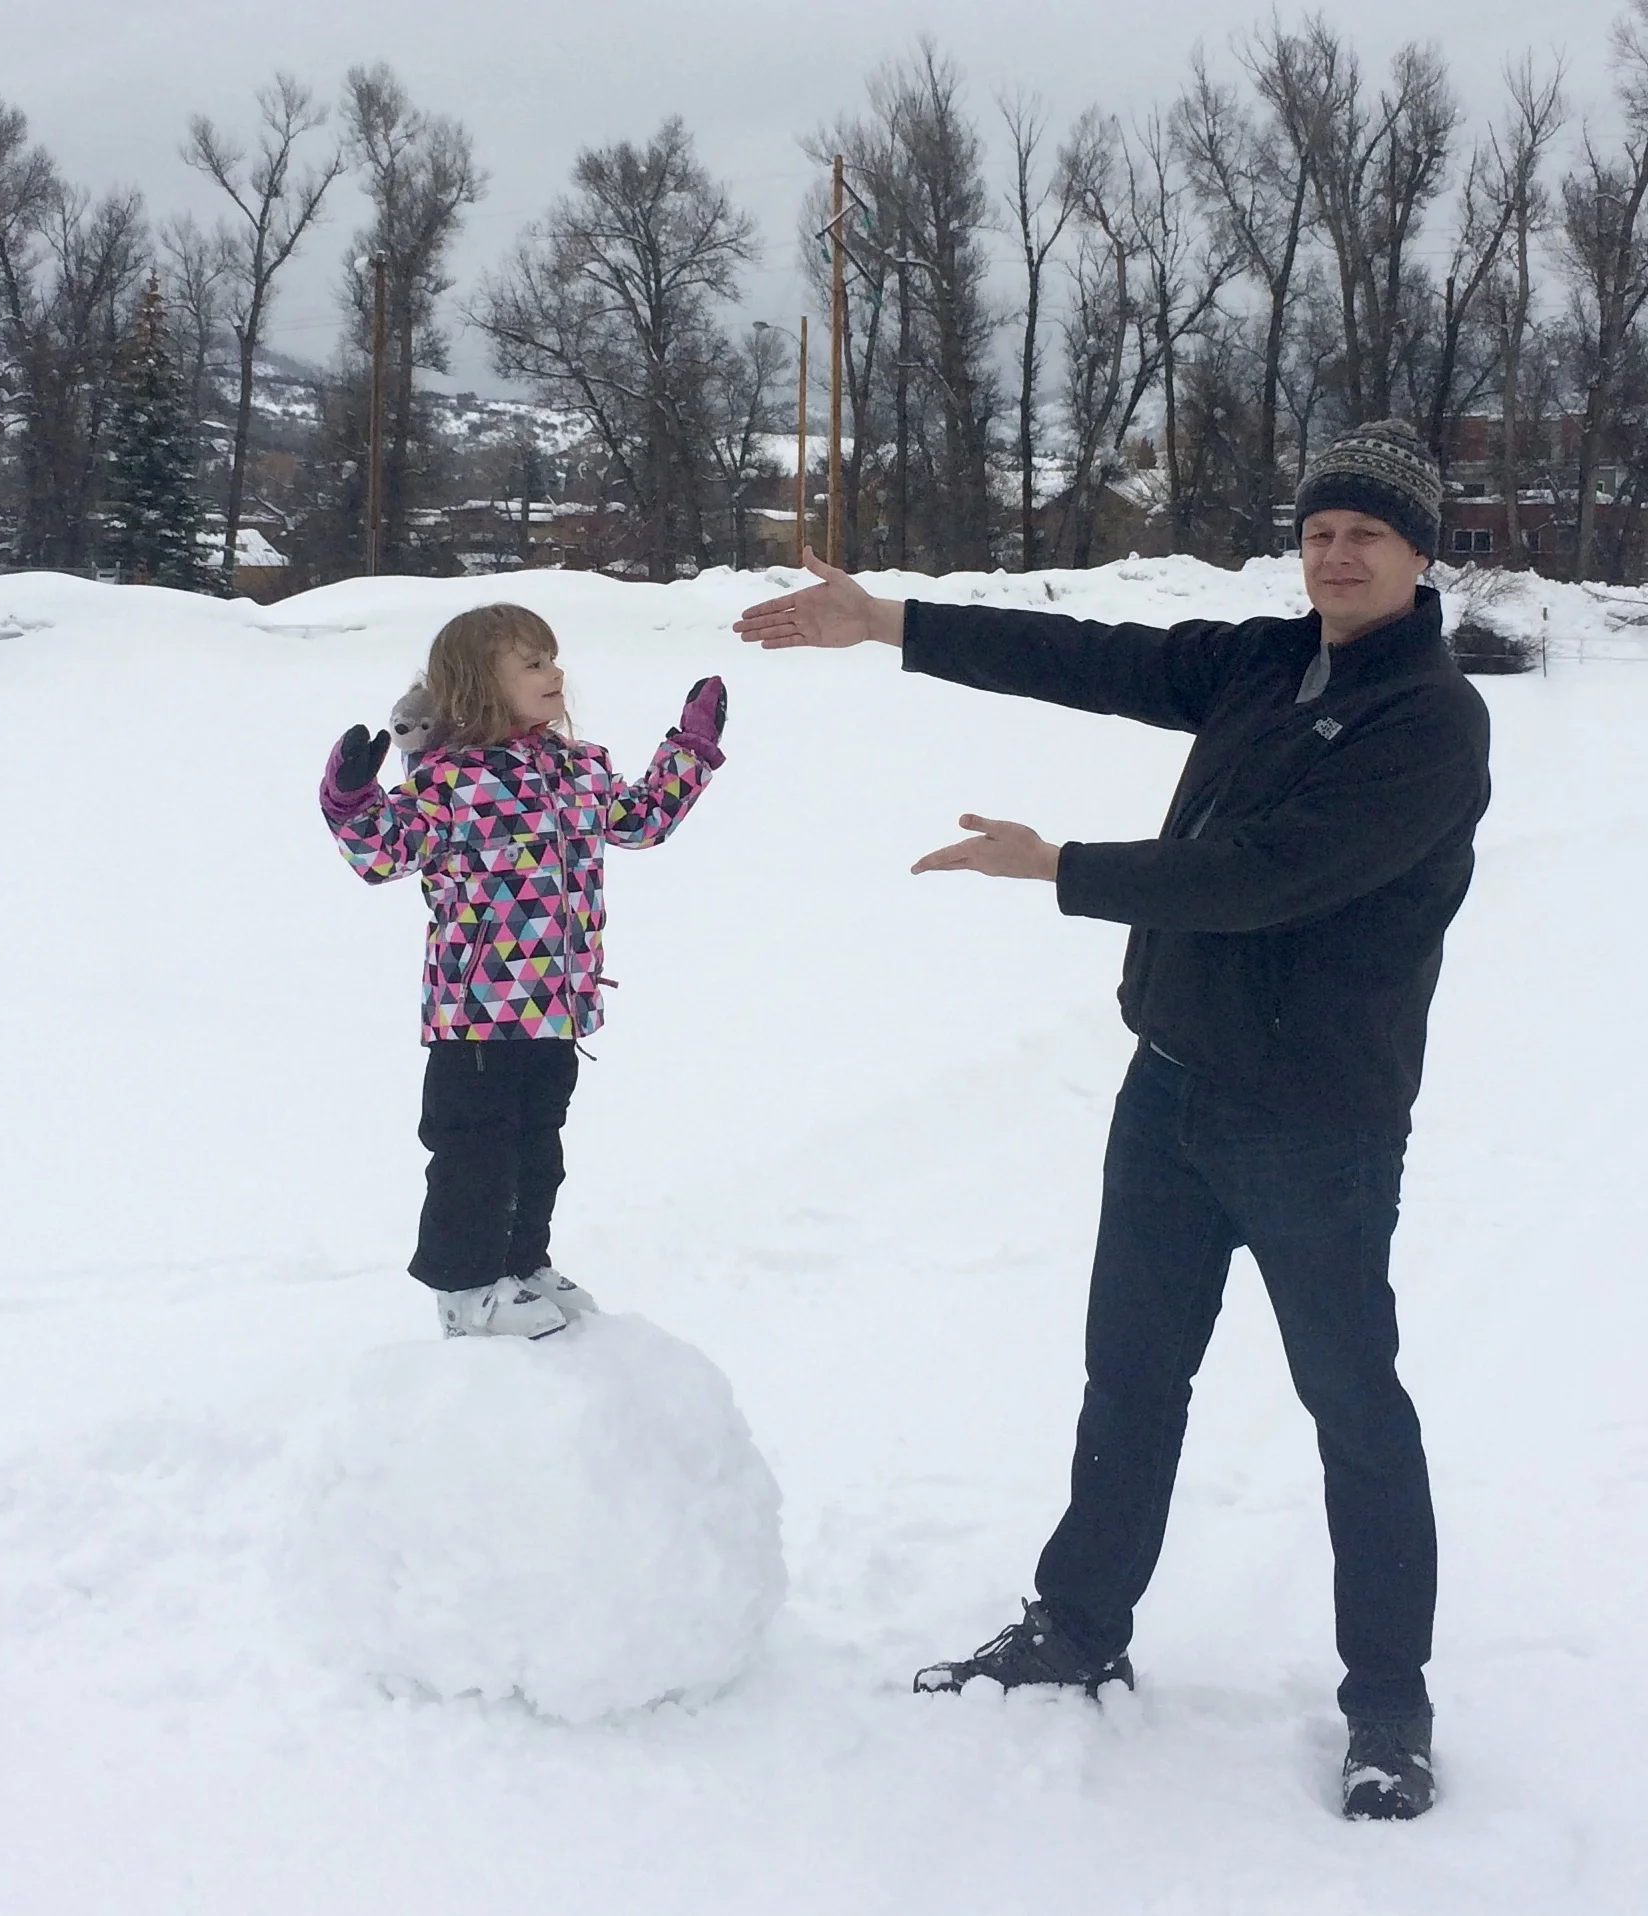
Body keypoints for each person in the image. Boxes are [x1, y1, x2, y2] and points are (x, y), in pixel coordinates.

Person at [734, 419, 1489, 1821]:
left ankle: (1389, 1702)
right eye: (1320, 531)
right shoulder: (1264, 662)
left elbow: (1268, 876)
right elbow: (1091, 656)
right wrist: (887, 622)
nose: (1335, 554)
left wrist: (1061, 866)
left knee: (1352, 1409)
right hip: (1173, 1092)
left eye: (1366, 535)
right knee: (1129, 1376)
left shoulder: (1431, 720)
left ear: (1418, 555)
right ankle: (1077, 1627)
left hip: (1314, 1124)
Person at [320, 602, 726, 1340]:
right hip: (477, 1009)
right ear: (479, 685)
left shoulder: (578, 766)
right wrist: (351, 800)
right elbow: (382, 854)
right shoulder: (448, 782)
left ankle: (521, 1265)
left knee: (538, 1148)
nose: (555, 673)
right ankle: (466, 1290)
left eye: (553, 657)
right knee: (474, 1152)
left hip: (558, 1003)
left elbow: (641, 821)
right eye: (533, 663)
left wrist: (691, 751)